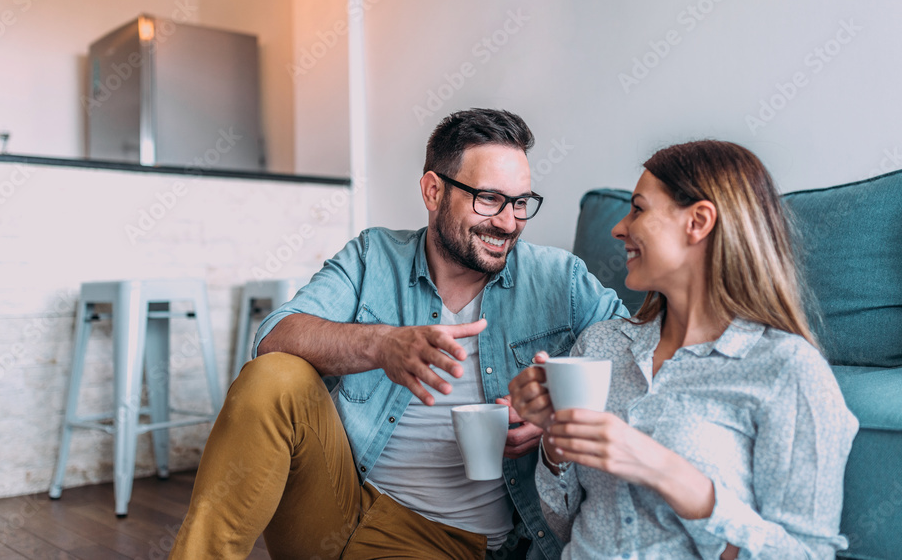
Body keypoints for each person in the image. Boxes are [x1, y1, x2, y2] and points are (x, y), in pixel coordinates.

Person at [170, 109, 626, 560]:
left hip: (445, 540)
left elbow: (637, 356)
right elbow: (273, 337)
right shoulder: (373, 257)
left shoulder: (559, 280)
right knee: (275, 377)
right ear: (433, 191)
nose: (508, 223)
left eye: (521, 202)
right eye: (489, 199)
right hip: (337, 504)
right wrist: (381, 344)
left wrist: (555, 417)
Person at [509, 140, 859, 559]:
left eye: (638, 208)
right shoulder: (599, 346)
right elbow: (563, 525)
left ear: (698, 221)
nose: (619, 228)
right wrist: (555, 443)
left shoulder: (788, 370)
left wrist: (673, 476)